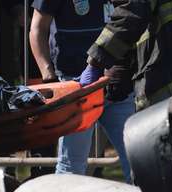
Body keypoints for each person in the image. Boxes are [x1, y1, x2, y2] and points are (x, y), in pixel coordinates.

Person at [30, 0, 135, 182]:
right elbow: (37, 29)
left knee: (136, 162)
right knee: (71, 167)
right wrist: (49, 77)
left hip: (116, 85)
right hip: (77, 88)